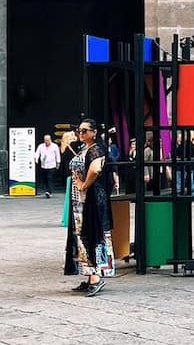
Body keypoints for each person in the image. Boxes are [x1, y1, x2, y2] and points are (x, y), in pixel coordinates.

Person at [66, 118, 113, 295]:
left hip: (90, 199)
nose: (81, 133)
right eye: (79, 130)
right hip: (80, 201)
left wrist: (84, 185)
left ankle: (95, 276)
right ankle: (88, 274)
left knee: (90, 234)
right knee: (81, 236)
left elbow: (95, 170)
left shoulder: (97, 149)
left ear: (94, 133)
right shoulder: (84, 148)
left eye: (85, 131)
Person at [35, 134, 61, 198]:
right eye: (45, 140)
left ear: (50, 140)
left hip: (52, 165)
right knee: (45, 179)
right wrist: (36, 159)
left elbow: (57, 155)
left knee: (50, 178)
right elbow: (37, 153)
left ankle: (49, 191)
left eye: (48, 140)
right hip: (43, 165)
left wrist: (58, 163)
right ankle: (47, 190)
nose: (46, 141)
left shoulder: (55, 146)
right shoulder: (41, 146)